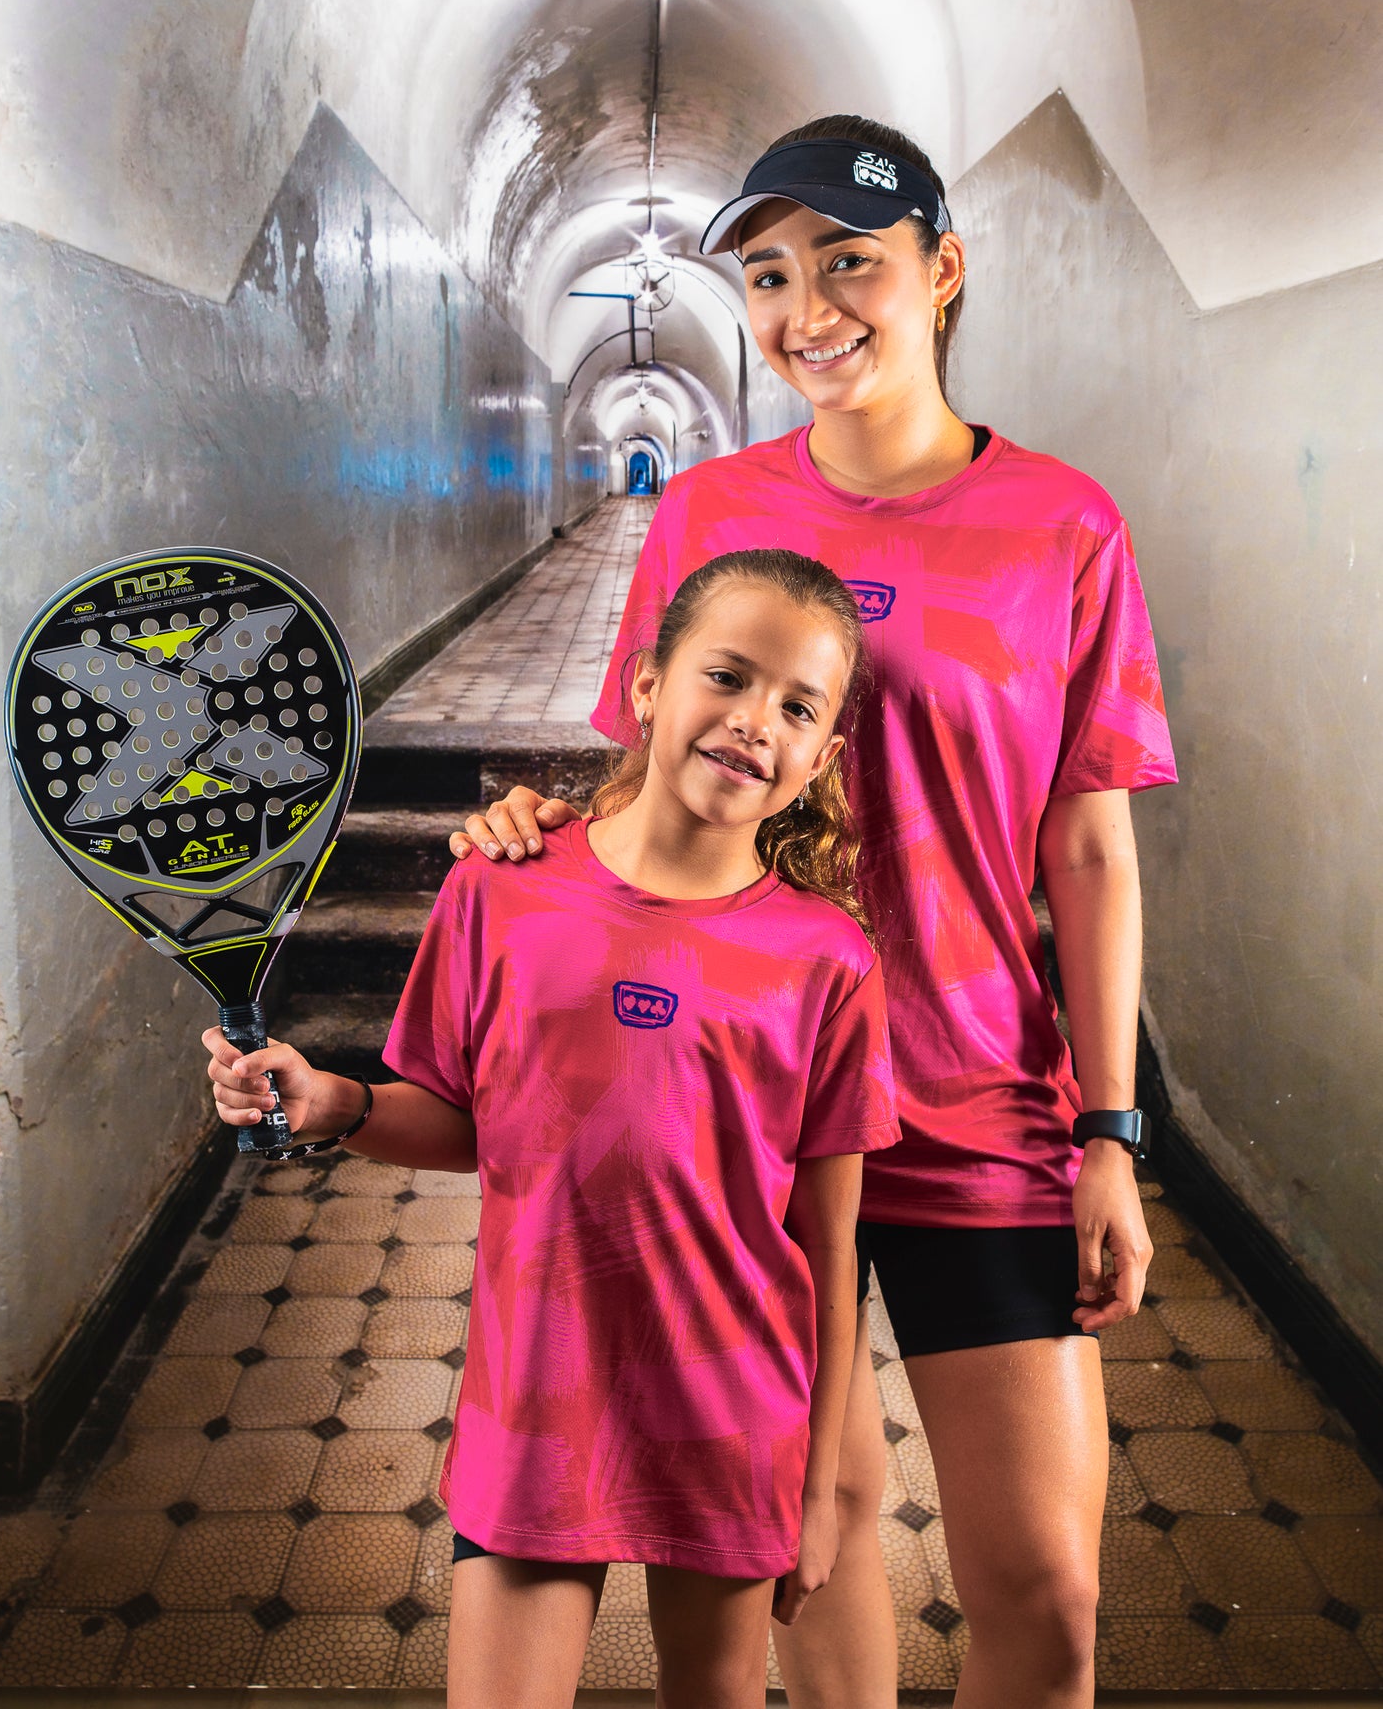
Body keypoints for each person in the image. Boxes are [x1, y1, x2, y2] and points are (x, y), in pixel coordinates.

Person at [452, 116, 1178, 1709]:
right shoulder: (705, 511)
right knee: (820, 1545)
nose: (807, 308)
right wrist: (536, 829)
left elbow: (1092, 846)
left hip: (981, 1093)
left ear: (942, 270)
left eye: (846, 261)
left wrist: (1113, 1129)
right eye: (770, 274)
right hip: (743, 1104)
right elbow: (662, 787)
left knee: (1049, 1596)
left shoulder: (1064, 523)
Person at [205, 546, 900, 1709]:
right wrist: (334, 1103)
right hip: (537, 1396)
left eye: (795, 705)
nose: (749, 722)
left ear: (822, 757)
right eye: (723, 677)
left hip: (731, 1415)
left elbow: (828, 1251)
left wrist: (821, 1487)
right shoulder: (500, 889)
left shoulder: (826, 959)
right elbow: (462, 1117)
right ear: (645, 686)